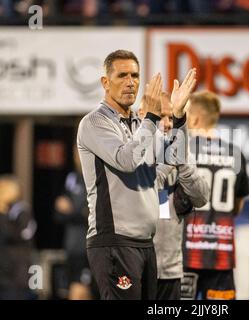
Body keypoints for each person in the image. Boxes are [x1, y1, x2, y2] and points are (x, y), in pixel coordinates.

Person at [76, 49, 196, 300]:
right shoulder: (95, 123)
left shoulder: (138, 126)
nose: (130, 82)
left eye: (135, 75)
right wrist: (152, 117)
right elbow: (127, 160)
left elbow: (174, 160)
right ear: (105, 83)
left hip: (144, 244)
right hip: (114, 242)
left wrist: (179, 118)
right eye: (122, 75)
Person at [182, 90, 249, 300]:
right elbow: (237, 207)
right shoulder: (235, 154)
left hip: (185, 253)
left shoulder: (183, 150)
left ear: (194, 118)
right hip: (221, 255)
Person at [141, 93, 210, 300]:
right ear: (142, 115)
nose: (167, 123)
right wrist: (167, 162)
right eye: (161, 116)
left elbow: (201, 197)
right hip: (136, 266)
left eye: (171, 117)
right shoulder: (130, 151)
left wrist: (180, 161)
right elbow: (145, 194)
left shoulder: (182, 153)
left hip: (170, 268)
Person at [54, 145, 95, 300]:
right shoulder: (72, 177)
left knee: (82, 290)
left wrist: (71, 211)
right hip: (72, 246)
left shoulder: (95, 176)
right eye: (76, 152)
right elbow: (58, 211)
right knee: (73, 289)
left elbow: (91, 214)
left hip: (89, 247)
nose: (78, 156)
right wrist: (70, 212)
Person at [0, 175, 37, 300]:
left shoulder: (21, 211)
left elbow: (17, 235)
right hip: (4, 271)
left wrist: (3, 214)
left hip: (17, 273)